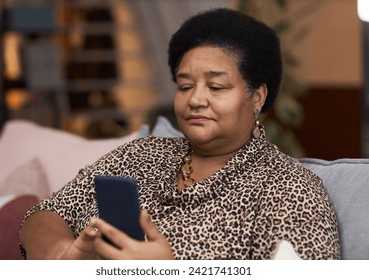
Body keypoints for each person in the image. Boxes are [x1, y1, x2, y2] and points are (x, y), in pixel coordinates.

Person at [19, 8, 340, 260]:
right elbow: (45, 213)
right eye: (185, 86)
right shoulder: (139, 155)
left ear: (256, 97)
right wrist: (62, 256)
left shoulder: (288, 189)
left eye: (216, 86)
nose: (195, 99)